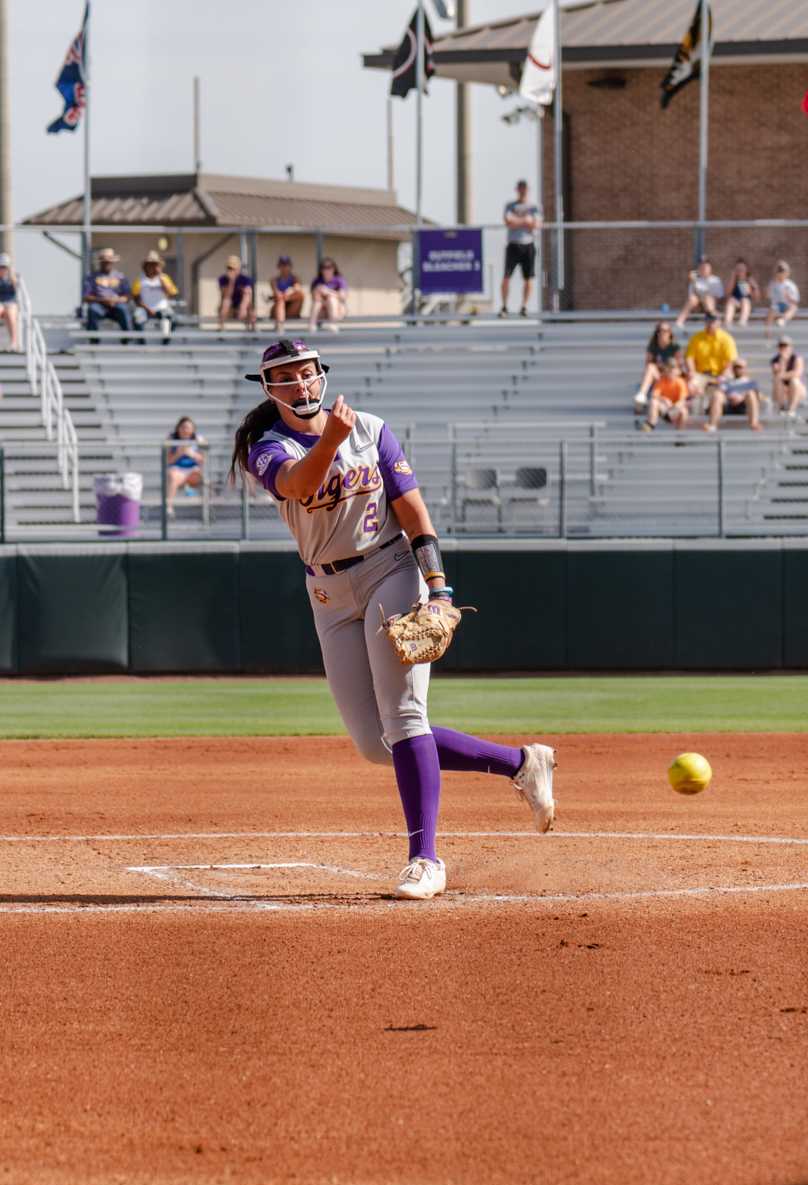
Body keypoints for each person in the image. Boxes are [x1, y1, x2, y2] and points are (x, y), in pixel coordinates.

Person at [229, 338, 556, 900]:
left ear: (321, 376)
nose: (300, 385)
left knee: (405, 717)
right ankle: (521, 764)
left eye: (307, 374)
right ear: (268, 389)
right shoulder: (268, 445)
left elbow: (412, 511)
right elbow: (299, 485)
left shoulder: (372, 429)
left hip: (390, 568)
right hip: (328, 591)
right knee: (374, 744)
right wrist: (331, 436)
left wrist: (439, 587)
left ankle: (425, 859)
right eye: (285, 378)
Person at [501, 179, 541, 317]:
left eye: (524, 188)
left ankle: (524, 306)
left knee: (528, 278)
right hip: (513, 245)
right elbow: (508, 221)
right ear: (517, 189)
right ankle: (505, 306)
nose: (522, 190)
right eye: (520, 188)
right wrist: (525, 221)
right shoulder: (510, 205)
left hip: (528, 245)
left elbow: (536, 224)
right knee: (506, 276)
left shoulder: (534, 206)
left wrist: (517, 221)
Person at [82, 248, 134, 335]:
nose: (107, 264)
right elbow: (86, 297)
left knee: (124, 309)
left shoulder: (120, 277)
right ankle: (93, 340)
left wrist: (115, 300)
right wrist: (103, 300)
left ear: (113, 262)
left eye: (109, 262)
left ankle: (127, 338)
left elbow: (127, 296)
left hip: (116, 306)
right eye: (104, 262)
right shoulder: (91, 277)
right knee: (92, 309)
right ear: (100, 262)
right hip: (99, 305)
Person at [633, 320, 682, 409]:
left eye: (666, 331)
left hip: (671, 375)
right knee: (651, 367)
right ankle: (642, 395)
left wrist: (666, 369)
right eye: (661, 330)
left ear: (670, 333)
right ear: (657, 333)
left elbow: (678, 367)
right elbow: (648, 365)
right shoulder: (653, 347)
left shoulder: (675, 347)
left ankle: (645, 395)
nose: (664, 333)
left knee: (671, 365)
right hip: (657, 376)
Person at [133, 254, 181, 340]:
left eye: (155, 264)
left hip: (162, 308)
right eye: (150, 264)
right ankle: (141, 342)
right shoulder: (140, 279)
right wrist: (148, 309)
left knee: (172, 319)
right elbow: (136, 298)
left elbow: (172, 293)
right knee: (137, 318)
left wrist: (161, 279)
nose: (153, 267)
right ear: (145, 266)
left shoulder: (165, 278)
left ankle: (166, 342)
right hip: (145, 308)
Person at [164, 416, 207, 511]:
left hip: (193, 470)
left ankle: (206, 508)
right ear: (178, 428)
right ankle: (169, 506)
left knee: (202, 477)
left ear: (193, 429)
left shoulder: (197, 439)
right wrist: (179, 453)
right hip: (178, 470)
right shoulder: (173, 439)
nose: (185, 430)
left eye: (188, 428)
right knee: (172, 476)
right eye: (183, 427)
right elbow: (169, 460)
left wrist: (191, 453)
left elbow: (203, 460)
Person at [712, 359, 765, 432]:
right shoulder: (727, 382)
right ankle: (712, 425)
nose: (737, 369)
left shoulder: (751, 383)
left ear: (745, 369)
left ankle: (754, 423)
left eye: (740, 367)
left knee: (751, 394)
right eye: (735, 367)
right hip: (729, 405)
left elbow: (758, 397)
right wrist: (729, 397)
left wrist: (741, 397)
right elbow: (720, 391)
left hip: (743, 407)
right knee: (717, 394)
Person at [641, 361, 694, 432]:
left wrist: (674, 407)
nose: (671, 372)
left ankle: (680, 435)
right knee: (654, 402)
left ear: (678, 371)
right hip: (664, 409)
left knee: (684, 411)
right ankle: (651, 424)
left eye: (673, 370)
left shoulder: (680, 382)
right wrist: (664, 399)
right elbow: (655, 395)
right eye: (669, 370)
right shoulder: (661, 380)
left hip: (675, 410)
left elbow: (682, 399)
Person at [675, 259, 724, 327]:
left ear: (710, 269)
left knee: (707, 298)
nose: (704, 270)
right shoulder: (695, 280)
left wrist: (707, 298)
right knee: (692, 299)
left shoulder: (716, 280)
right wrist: (693, 282)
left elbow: (720, 297)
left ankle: (712, 322)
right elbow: (691, 295)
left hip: (711, 304)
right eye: (702, 268)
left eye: (706, 268)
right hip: (697, 305)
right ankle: (680, 321)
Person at [770, 337, 807, 423]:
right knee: (778, 382)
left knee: (794, 381)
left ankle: (791, 410)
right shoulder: (775, 360)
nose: (783, 348)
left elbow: (797, 373)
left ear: (791, 347)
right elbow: (777, 375)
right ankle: (781, 407)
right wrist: (782, 361)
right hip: (782, 390)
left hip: (796, 389)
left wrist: (783, 375)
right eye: (781, 345)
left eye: (785, 345)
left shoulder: (797, 358)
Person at [217, 255, 257, 331]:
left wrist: (243, 307)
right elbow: (226, 296)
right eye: (229, 268)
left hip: (242, 308)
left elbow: (248, 293)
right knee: (226, 302)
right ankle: (221, 328)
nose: (231, 270)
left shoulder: (245, 279)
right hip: (229, 308)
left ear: (238, 268)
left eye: (233, 268)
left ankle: (253, 330)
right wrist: (231, 282)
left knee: (248, 302)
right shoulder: (222, 279)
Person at [267, 256, 307, 328]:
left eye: (286, 265)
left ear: (290, 266)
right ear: (279, 267)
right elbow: (277, 293)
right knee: (280, 300)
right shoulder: (274, 280)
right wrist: (284, 296)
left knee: (300, 295)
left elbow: (297, 288)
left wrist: (288, 295)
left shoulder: (295, 278)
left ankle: (280, 323)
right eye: (282, 265)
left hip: (291, 310)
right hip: (278, 309)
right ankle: (280, 326)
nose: (285, 268)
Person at [310, 259, 348, 331]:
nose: (327, 270)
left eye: (329, 267)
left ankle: (333, 324)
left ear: (334, 269)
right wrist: (317, 291)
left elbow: (343, 296)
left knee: (331, 299)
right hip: (323, 311)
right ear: (321, 270)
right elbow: (314, 297)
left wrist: (328, 291)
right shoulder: (317, 281)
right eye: (324, 268)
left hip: (338, 310)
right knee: (317, 302)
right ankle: (312, 325)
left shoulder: (339, 279)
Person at [767, 261, 801, 326]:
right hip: (776, 306)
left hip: (787, 305)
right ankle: (768, 333)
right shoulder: (773, 284)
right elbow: (768, 296)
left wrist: (788, 297)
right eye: (779, 270)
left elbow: (796, 301)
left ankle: (783, 320)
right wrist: (769, 288)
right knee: (771, 310)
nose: (781, 273)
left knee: (794, 308)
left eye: (783, 270)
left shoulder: (791, 285)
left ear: (787, 273)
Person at [0, 254, 22, 351]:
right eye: (1, 267)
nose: (2, 269)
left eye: (4, 267)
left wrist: (12, 276)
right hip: (1, 303)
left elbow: (16, 288)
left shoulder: (13, 277)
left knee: (10, 314)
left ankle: (14, 343)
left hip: (11, 303)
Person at [725, 260, 757, 326]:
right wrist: (733, 278)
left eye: (742, 269)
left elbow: (756, 297)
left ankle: (742, 321)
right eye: (738, 269)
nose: (740, 271)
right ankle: (727, 321)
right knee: (731, 300)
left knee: (745, 300)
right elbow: (727, 293)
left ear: (746, 270)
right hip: (735, 303)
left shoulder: (749, 280)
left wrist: (753, 287)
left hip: (746, 304)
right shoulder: (733, 280)